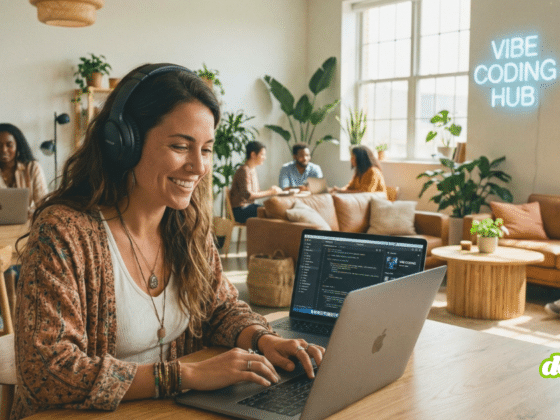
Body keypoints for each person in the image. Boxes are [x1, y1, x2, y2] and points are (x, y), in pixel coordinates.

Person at [12, 64, 324, 420]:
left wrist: (263, 340)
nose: (198, 167)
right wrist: (183, 375)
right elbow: (47, 370)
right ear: (123, 143)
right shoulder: (63, 232)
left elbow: (219, 308)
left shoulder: (188, 224)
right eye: (180, 146)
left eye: (206, 150)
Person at [0, 123, 48, 216]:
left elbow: (43, 205)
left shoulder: (32, 167)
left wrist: (30, 212)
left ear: (18, 145)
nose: (4, 150)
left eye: (9, 145)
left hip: (26, 224)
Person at [229, 141, 282, 223]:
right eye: (262, 154)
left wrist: (270, 190)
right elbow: (248, 195)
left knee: (274, 210)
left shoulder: (252, 170)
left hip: (248, 208)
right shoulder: (243, 171)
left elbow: (256, 193)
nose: (265, 157)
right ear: (253, 154)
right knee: (271, 212)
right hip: (240, 211)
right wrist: (270, 192)